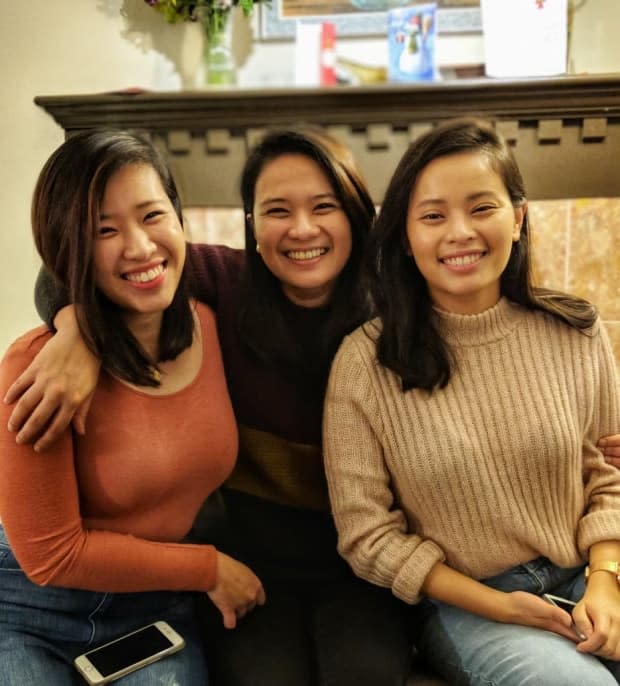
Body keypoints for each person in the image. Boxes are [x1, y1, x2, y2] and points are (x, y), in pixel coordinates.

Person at [3, 127, 415, 685]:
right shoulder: (226, 287)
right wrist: (74, 329)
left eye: (325, 206)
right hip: (55, 603)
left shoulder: (394, 311)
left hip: (301, 576)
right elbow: (77, 267)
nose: (302, 229)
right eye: (276, 210)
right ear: (251, 224)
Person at [323, 117, 620, 686]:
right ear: (406, 237)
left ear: (519, 217)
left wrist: (604, 579)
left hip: (589, 573)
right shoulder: (365, 362)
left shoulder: (576, 329)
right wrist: (502, 607)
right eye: (433, 216)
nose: (459, 232)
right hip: (470, 606)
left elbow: (606, 474)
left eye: (482, 208)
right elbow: (367, 537)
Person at [0, 130, 266, 685]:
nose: (140, 247)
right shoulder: (38, 371)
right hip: (25, 609)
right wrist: (209, 567)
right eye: (104, 230)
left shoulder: (215, 322)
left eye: (152, 215)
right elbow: (51, 557)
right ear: (67, 247)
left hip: (152, 607)